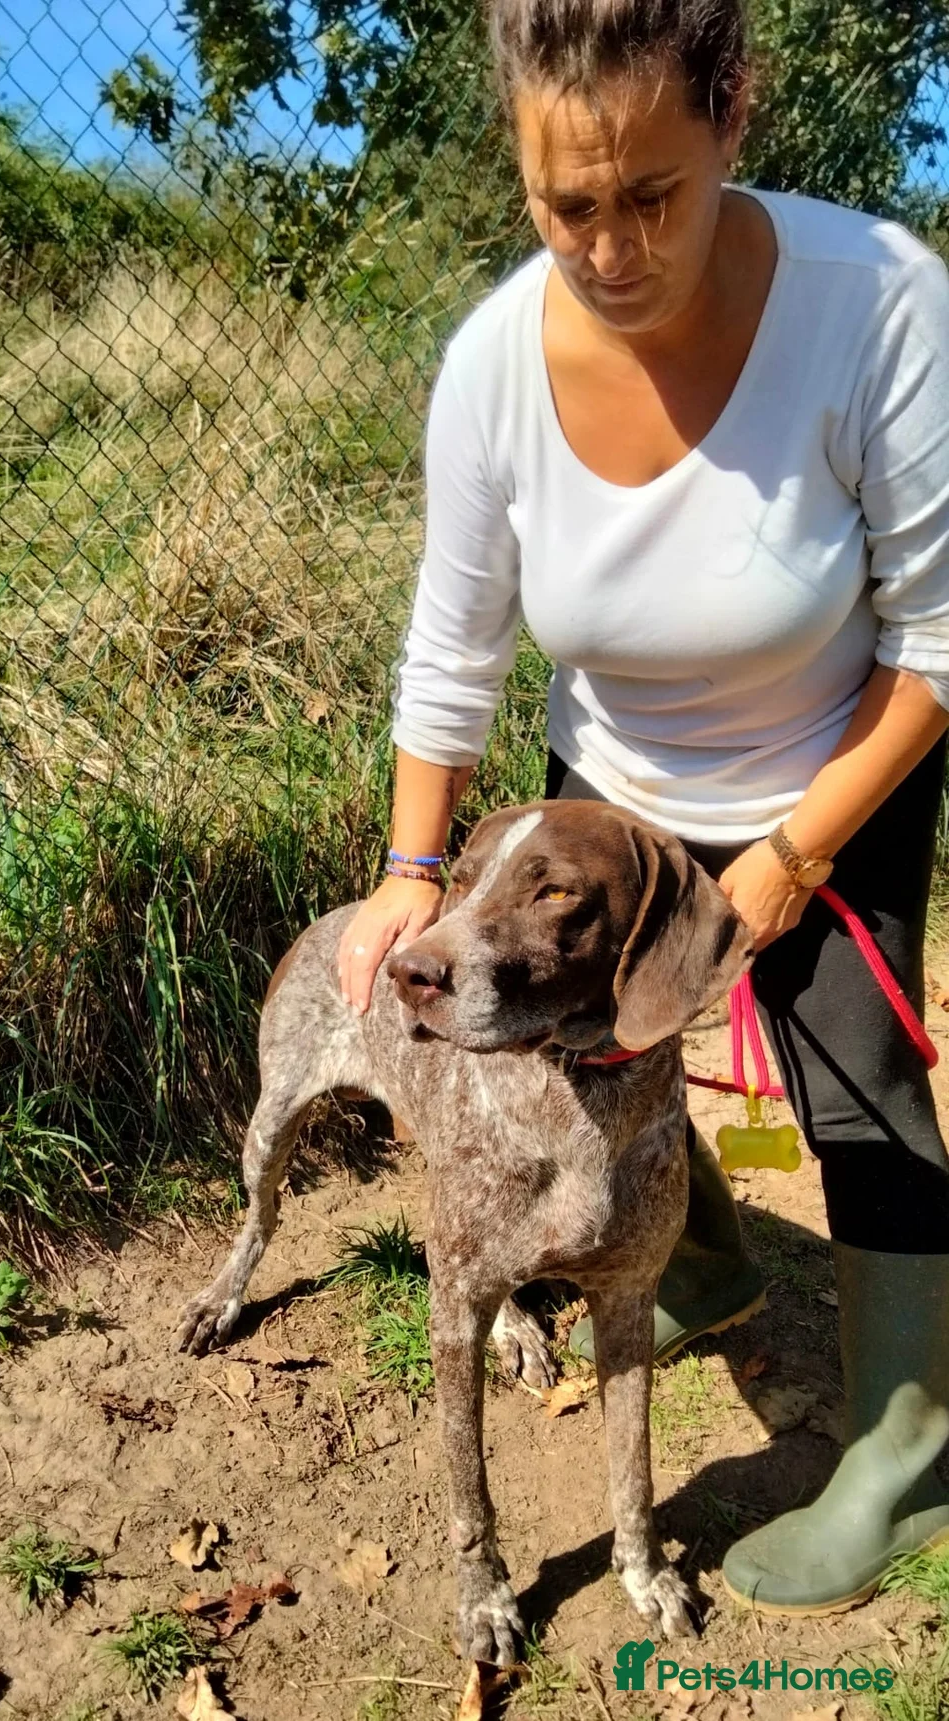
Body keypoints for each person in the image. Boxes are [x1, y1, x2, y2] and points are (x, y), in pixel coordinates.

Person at [337, 0, 949, 1614]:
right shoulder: (491, 368)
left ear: (735, 113)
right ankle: (706, 1266)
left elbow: (945, 640)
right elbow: (452, 643)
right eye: (567, 206)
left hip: (837, 759)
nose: (609, 249)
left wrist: (794, 859)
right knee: (601, 1062)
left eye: (653, 196)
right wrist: (414, 866)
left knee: (861, 1085)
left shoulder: (881, 303)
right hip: (609, 800)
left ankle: (905, 1445)